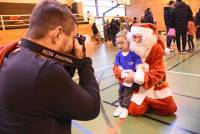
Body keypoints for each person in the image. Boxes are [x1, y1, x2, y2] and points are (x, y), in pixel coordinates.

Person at [0, 1, 100, 134]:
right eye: (72, 37)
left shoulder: (13, 54)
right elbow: (91, 108)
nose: (74, 42)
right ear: (58, 34)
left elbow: (58, 90)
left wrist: (74, 59)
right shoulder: (44, 71)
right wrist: (85, 61)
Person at [123, 23, 177, 116]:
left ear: (147, 37)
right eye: (134, 37)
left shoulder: (156, 48)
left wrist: (135, 76)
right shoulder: (132, 47)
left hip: (157, 86)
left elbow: (158, 72)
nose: (136, 40)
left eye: (139, 37)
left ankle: (150, 103)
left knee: (170, 109)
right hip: (140, 87)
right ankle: (147, 102)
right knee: (134, 111)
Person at [113, 29, 142, 119]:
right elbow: (117, 65)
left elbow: (138, 64)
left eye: (122, 43)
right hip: (122, 80)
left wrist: (138, 71)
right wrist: (122, 73)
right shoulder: (118, 55)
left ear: (128, 42)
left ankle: (126, 108)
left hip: (131, 81)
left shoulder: (133, 54)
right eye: (118, 43)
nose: (120, 45)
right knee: (120, 92)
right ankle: (121, 106)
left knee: (127, 94)